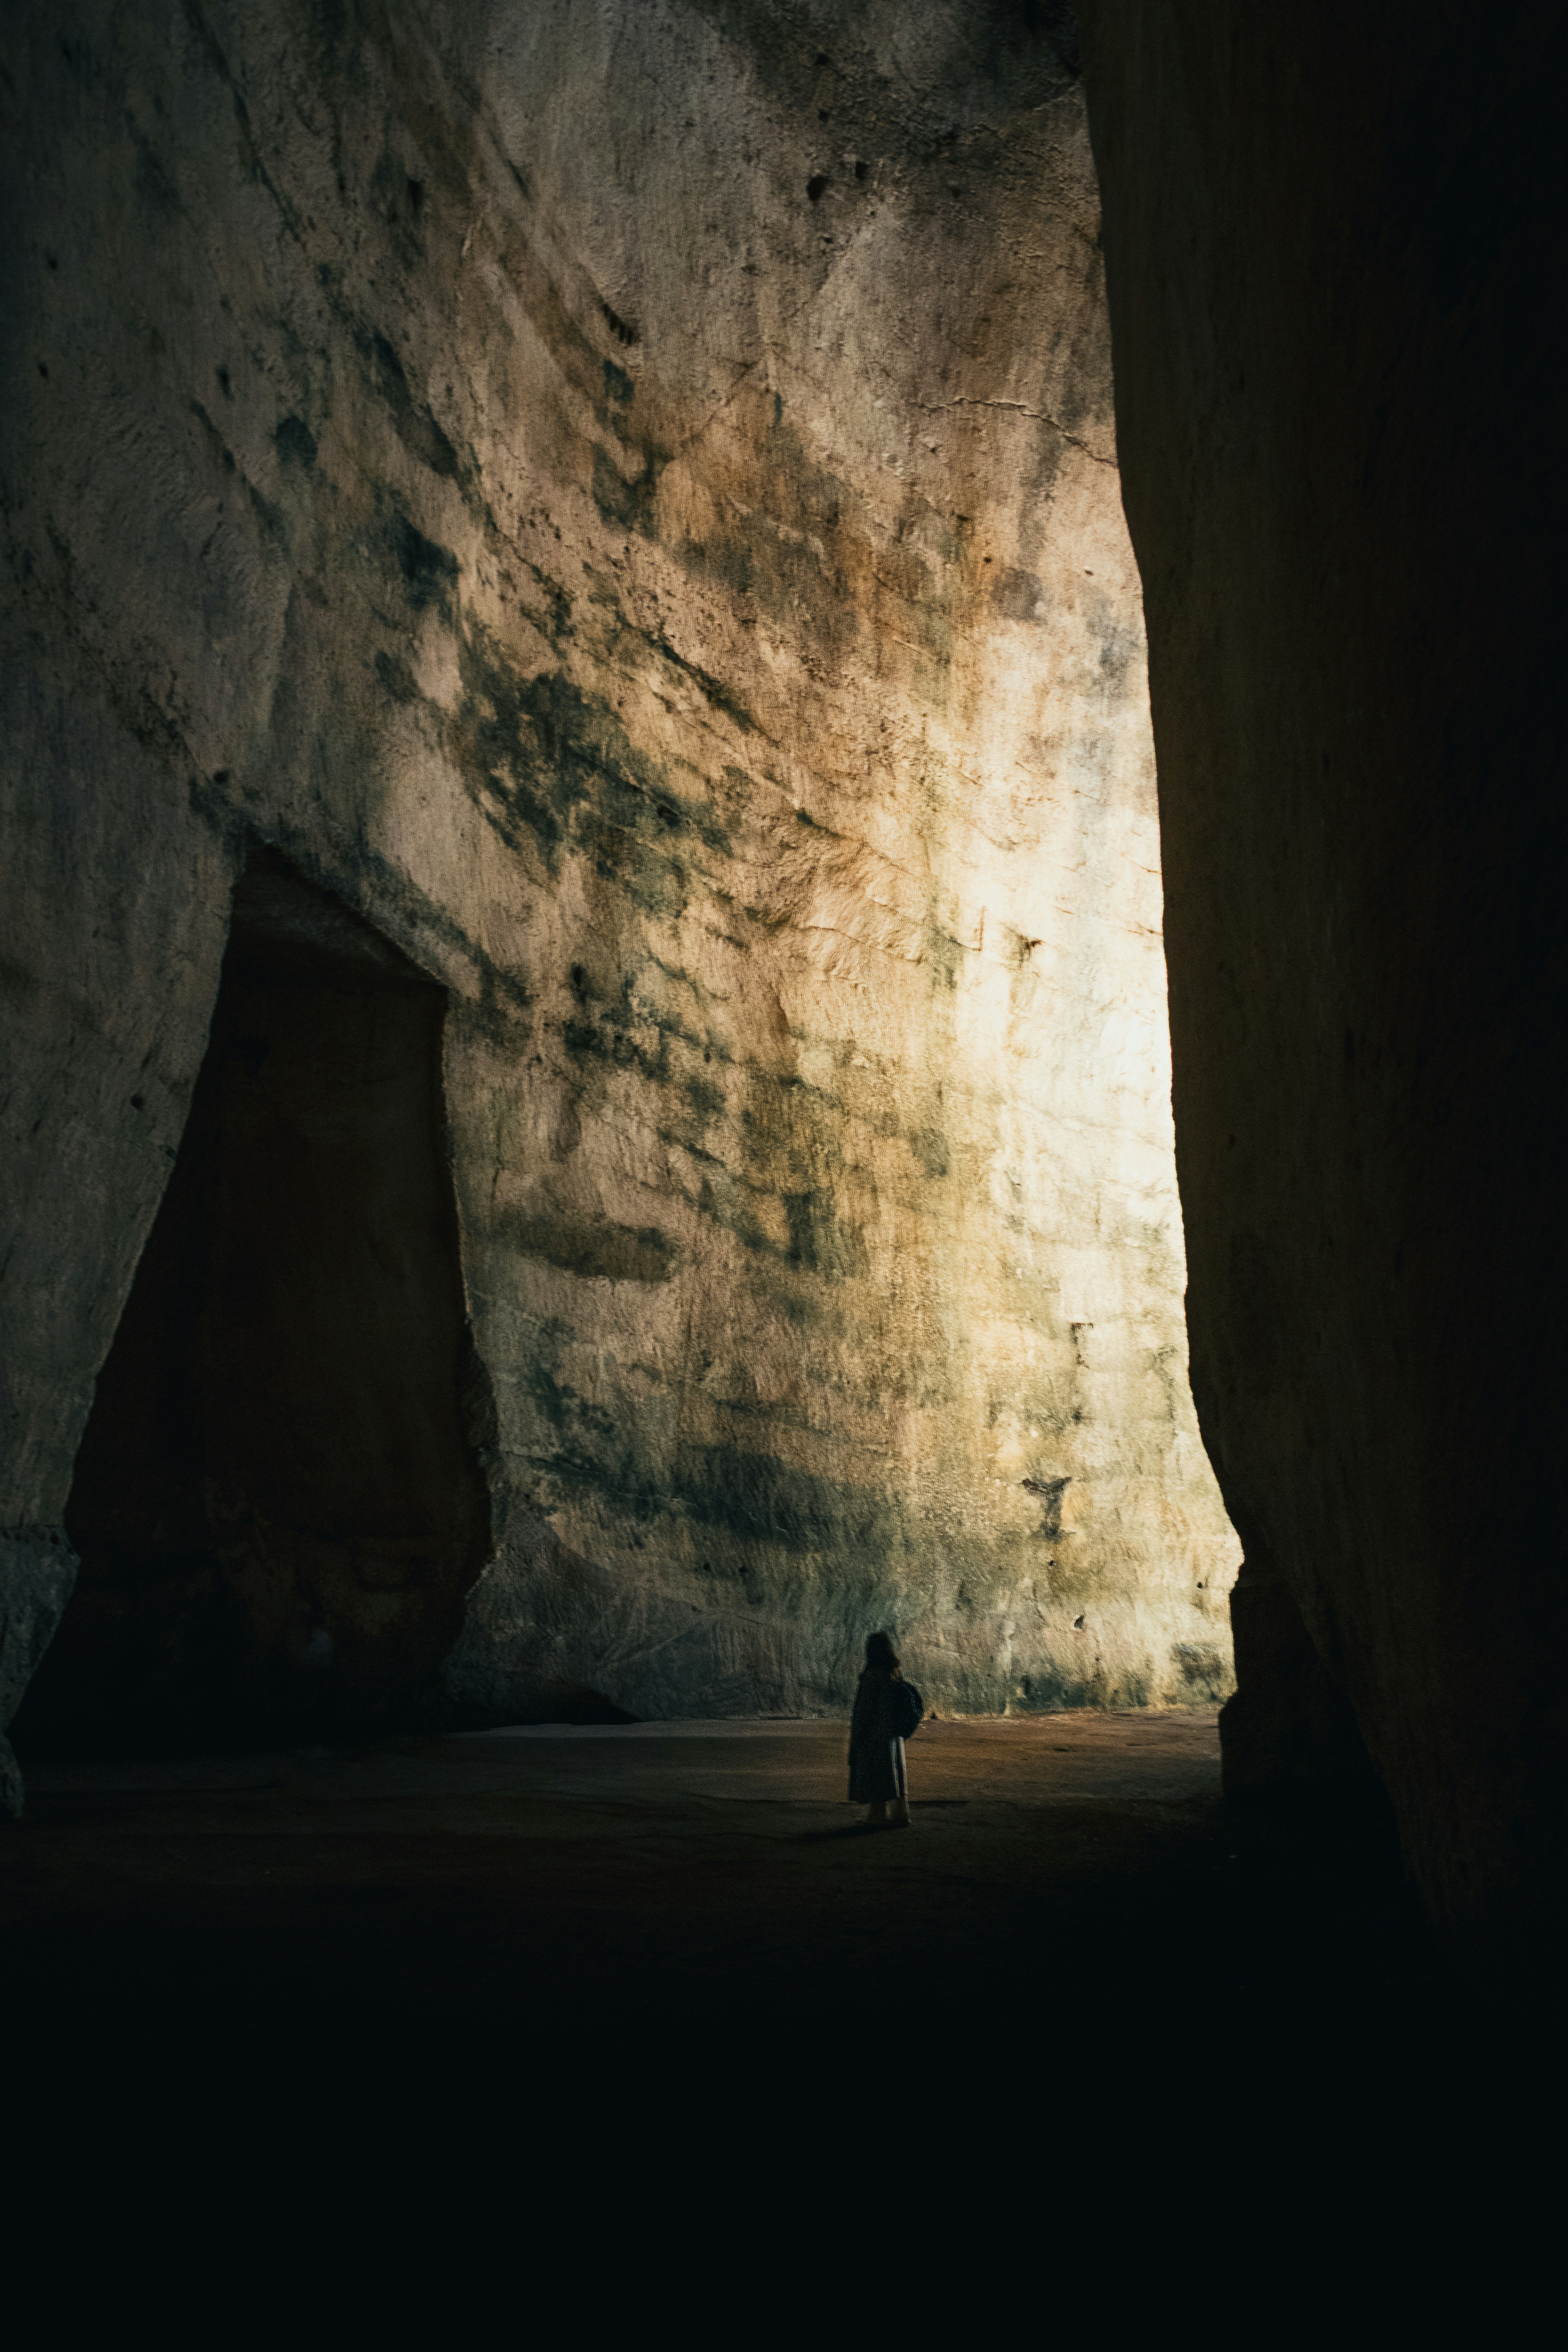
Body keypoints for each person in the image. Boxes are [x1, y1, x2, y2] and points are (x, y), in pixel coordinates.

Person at [848, 1630, 920, 1826]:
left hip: (875, 1734)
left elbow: (864, 1712)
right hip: (893, 1734)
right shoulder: (894, 1672)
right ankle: (901, 1814)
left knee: (877, 1774)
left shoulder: (872, 1676)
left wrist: (857, 1739)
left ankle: (877, 1817)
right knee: (895, 1772)